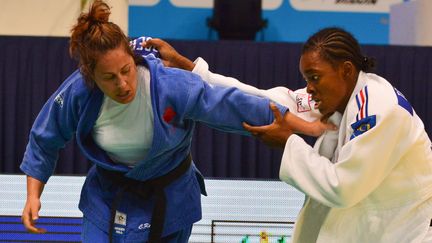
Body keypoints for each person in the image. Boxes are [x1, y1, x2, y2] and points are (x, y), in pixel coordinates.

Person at [19, 1, 331, 242]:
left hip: (170, 195)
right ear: (90, 75)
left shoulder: (169, 86)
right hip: (108, 196)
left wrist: (309, 127)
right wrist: (33, 195)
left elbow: (234, 105)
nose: (123, 84)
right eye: (109, 78)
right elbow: (46, 136)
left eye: (126, 70)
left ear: (133, 57)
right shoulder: (78, 93)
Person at [144, 28, 432, 242]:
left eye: (315, 77)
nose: (309, 88)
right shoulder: (338, 99)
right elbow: (265, 102)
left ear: (345, 70)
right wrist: (193, 70)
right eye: (306, 79)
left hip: (402, 233)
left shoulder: (379, 110)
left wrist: (288, 142)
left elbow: (342, 188)